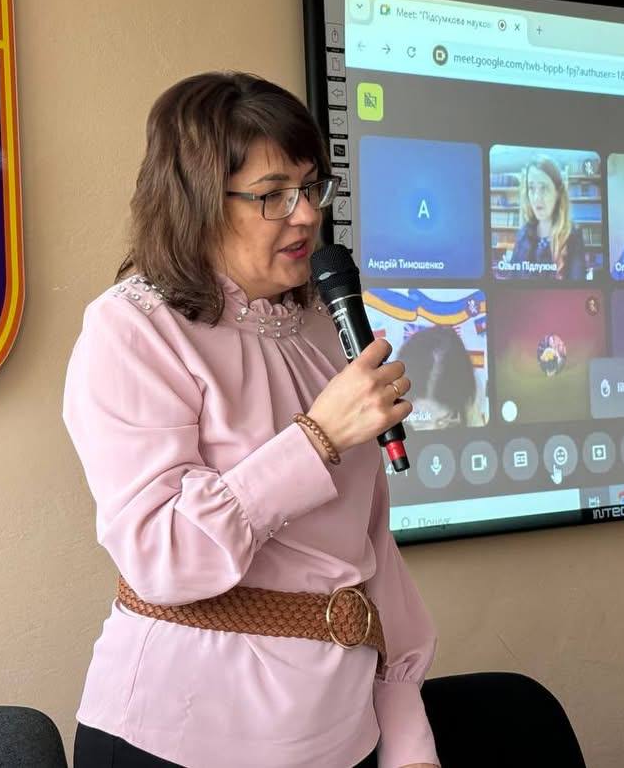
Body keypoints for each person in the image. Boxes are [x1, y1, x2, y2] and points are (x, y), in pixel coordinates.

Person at [64, 72, 439, 768]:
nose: (305, 215)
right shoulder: (133, 330)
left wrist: (406, 726)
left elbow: (368, 550)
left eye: (312, 187)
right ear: (198, 202)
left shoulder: (326, 326)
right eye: (273, 195)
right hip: (180, 739)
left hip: (344, 734)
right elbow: (163, 556)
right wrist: (316, 440)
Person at [507, 156, 587, 281]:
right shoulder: (522, 235)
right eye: (531, 188)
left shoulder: (572, 236)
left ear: (557, 193)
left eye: (544, 188)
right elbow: (512, 279)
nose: (536, 198)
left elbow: (578, 285)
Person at [397, 325, 486, 429]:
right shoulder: (390, 387)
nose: (433, 431)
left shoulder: (470, 390)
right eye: (420, 420)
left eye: (444, 421)